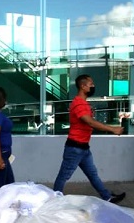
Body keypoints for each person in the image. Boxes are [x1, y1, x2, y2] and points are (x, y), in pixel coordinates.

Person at [53, 74, 126, 204]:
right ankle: (53, 201)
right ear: (82, 86)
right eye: (91, 84)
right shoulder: (79, 104)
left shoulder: (83, 103)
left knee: (92, 174)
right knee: (64, 176)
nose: (93, 86)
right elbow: (90, 122)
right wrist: (112, 129)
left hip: (83, 148)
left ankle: (107, 197)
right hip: (75, 148)